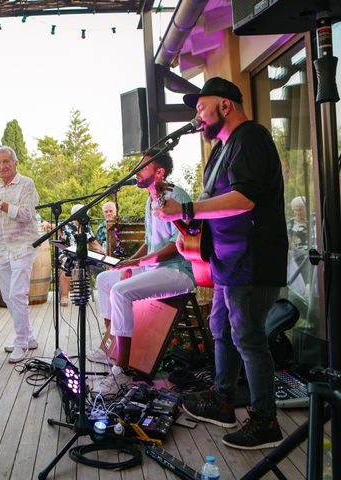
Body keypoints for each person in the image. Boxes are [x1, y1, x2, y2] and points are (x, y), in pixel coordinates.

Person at [155, 77, 288, 450]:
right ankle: (223, 399)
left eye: (201, 106)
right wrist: (188, 229)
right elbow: (212, 204)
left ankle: (265, 421)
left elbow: (244, 199)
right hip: (227, 261)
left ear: (225, 105)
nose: (196, 114)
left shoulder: (250, 138)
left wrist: (186, 209)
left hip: (253, 260)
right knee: (221, 328)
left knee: (248, 336)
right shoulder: (220, 151)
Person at [90, 150, 195, 395]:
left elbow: (173, 246)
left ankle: (122, 370)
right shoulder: (150, 199)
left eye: (144, 166)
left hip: (178, 271)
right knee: (106, 279)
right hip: (153, 268)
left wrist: (136, 265)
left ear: (159, 173)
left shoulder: (176, 196)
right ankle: (111, 346)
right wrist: (129, 262)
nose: (137, 170)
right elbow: (150, 242)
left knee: (121, 292)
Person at [0, 146, 40, 363]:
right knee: (8, 296)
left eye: (5, 162)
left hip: (23, 247)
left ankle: (21, 342)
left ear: (15, 163)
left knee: (17, 295)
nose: (1, 166)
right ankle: (28, 336)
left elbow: (25, 215)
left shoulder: (26, 184)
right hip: (3, 249)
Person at [52, 204, 104, 307]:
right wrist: (45, 223)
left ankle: (81, 296)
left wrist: (102, 252)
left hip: (81, 253)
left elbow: (93, 243)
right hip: (66, 253)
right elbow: (53, 227)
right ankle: (64, 297)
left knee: (84, 263)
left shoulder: (86, 227)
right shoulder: (65, 225)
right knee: (66, 265)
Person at [286, 195, 310, 294]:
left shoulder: (313, 219)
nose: (297, 213)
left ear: (306, 208)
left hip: (313, 250)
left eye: (299, 209)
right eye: (294, 210)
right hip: (299, 254)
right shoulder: (291, 223)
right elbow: (287, 240)